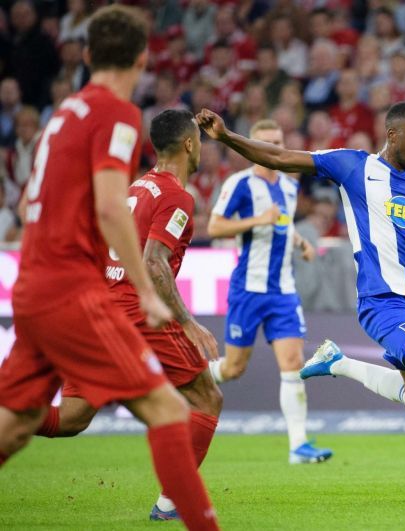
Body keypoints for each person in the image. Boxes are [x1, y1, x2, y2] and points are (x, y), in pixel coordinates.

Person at [196, 101, 405, 499]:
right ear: (392, 135)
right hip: (380, 303)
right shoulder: (353, 167)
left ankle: (338, 362)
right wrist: (226, 137)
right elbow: (280, 156)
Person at [0, 7, 219, 531]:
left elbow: (41, 196)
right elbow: (129, 236)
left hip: (39, 284)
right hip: (95, 299)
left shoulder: (64, 114)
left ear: (88, 54)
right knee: (193, 401)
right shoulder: (120, 120)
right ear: (143, 57)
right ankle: (179, 512)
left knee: (56, 418)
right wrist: (157, 300)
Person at [33, 109, 223, 522]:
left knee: (73, 417)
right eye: (200, 142)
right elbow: (155, 264)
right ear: (190, 144)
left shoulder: (137, 188)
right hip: (137, 311)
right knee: (207, 398)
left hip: (100, 307)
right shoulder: (177, 196)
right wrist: (187, 322)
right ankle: (170, 504)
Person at [206, 119, 332, 464]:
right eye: (265, 143)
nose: (273, 149)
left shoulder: (290, 187)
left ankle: (299, 446)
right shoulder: (240, 184)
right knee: (233, 369)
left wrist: (300, 241)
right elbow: (215, 225)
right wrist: (256, 220)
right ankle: (188, 376)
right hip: (248, 288)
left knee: (293, 363)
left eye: (278, 142)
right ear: (251, 147)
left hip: (283, 292)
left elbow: (283, 224)